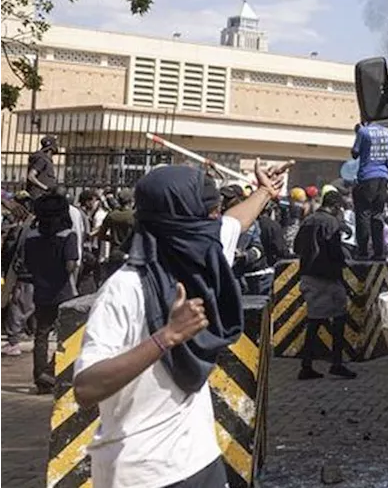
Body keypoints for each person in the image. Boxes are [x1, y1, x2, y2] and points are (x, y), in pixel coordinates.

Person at [72, 160, 290, 487]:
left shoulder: (200, 258)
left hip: (199, 461)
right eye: (204, 214)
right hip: (141, 474)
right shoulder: (124, 289)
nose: (212, 221)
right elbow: (86, 388)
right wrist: (166, 337)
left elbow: (234, 223)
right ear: (182, 221)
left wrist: (264, 192)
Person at [293, 188, 356, 380]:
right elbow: (335, 252)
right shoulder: (332, 223)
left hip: (308, 276)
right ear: (336, 206)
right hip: (327, 278)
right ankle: (336, 363)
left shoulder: (309, 220)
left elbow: (296, 247)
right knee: (338, 318)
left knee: (314, 320)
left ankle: (307, 364)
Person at [26, 192, 80, 393]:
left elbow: (28, 263)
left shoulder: (31, 236)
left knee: (41, 334)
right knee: (69, 335)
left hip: (40, 290)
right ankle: (50, 371)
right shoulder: (68, 236)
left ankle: (40, 377)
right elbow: (70, 265)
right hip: (64, 291)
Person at [350, 120, 388, 260]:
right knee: (377, 215)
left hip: (367, 177)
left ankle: (362, 251)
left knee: (363, 214)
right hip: (383, 178)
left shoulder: (364, 132)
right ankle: (378, 253)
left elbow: (355, 153)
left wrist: (358, 133)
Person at [99, 189, 136, 281]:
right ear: (131, 201)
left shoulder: (112, 215)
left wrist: (112, 238)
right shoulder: (135, 216)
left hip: (115, 252)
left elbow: (101, 235)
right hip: (130, 253)